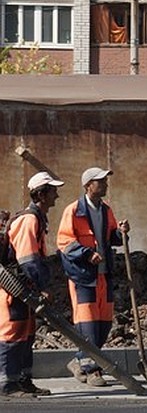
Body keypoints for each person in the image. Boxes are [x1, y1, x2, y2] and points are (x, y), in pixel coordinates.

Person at [57, 167, 129, 388]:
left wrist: (121, 232)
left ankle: (79, 362)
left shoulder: (106, 210)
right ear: (88, 185)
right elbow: (64, 242)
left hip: (104, 275)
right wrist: (87, 254)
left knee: (103, 325)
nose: (105, 185)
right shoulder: (73, 211)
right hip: (82, 277)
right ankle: (92, 369)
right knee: (87, 326)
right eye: (101, 181)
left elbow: (111, 237)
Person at [1, 171, 65, 398]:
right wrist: (42, 287)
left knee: (27, 333)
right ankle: (7, 385)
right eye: (53, 190)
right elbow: (28, 260)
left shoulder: (37, 218)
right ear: (41, 194)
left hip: (23, 288)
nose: (56, 195)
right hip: (13, 288)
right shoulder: (29, 220)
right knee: (12, 334)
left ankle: (23, 381)